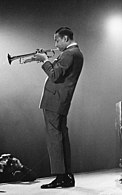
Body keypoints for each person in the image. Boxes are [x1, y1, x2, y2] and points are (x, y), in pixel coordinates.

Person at [34, 27, 84, 188]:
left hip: (55, 101)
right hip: (61, 101)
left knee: (54, 140)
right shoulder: (76, 53)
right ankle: (66, 176)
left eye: (57, 40)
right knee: (61, 138)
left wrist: (45, 61)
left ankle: (61, 176)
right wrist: (47, 61)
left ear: (65, 39)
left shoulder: (70, 53)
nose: (55, 43)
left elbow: (55, 75)